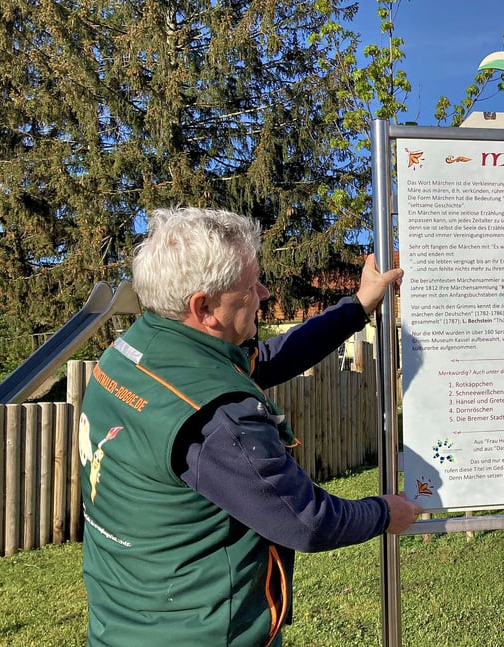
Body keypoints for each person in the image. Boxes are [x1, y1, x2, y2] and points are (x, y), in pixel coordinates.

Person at [78, 207, 423, 647]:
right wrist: (384, 513)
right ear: (203, 307)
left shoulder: (137, 350)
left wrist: (357, 306)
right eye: (249, 285)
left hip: (126, 618)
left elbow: (271, 357)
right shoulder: (218, 421)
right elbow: (306, 521)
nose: (263, 292)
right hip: (201, 633)